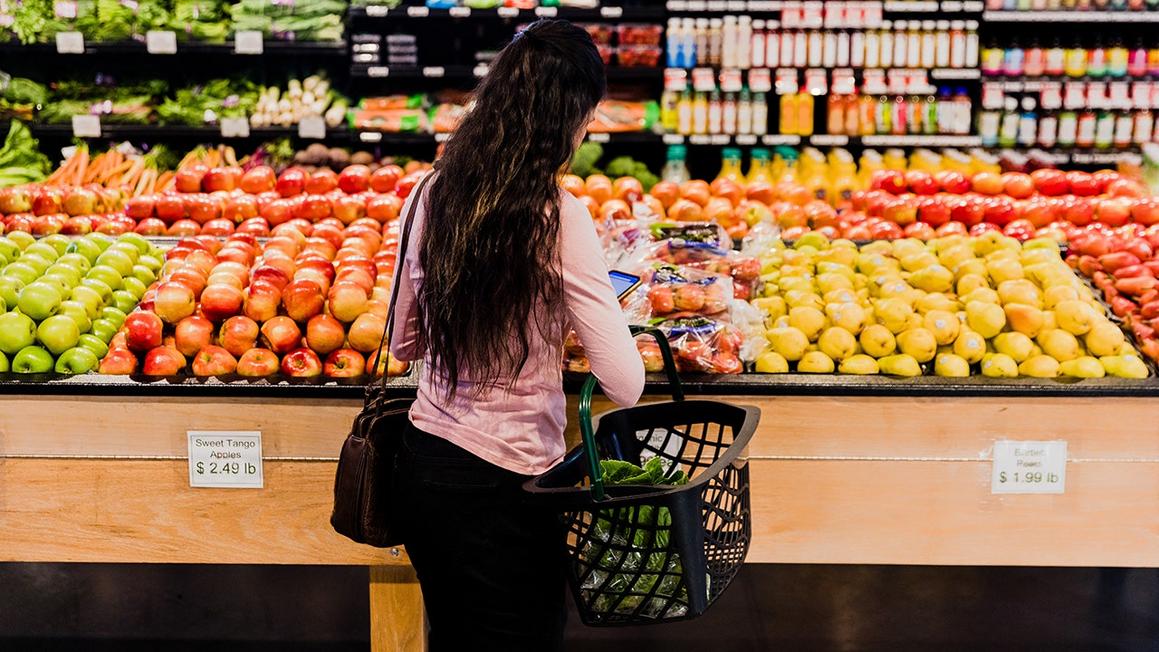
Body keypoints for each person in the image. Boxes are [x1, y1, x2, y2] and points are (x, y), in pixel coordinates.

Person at [388, 19, 646, 652]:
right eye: (587, 116)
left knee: (453, 635)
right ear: (567, 117)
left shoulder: (428, 193)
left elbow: (402, 343)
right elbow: (626, 384)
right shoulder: (559, 215)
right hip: (512, 482)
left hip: (428, 466)